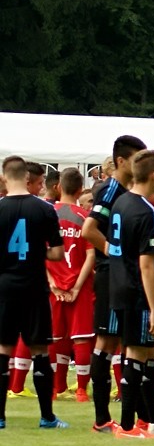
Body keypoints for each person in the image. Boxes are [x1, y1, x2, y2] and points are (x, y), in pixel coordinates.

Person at [108, 150, 154, 437]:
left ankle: (153, 421)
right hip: (136, 290)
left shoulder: (121, 202)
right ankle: (126, 426)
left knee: (150, 350)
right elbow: (147, 265)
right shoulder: (147, 212)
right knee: (136, 352)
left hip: (118, 284)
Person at [0, 156, 69, 431]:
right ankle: (47, 416)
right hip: (34, 286)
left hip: (5, 286)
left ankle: (0, 417)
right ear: (26, 177)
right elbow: (57, 253)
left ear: (5, 177)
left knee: (3, 349)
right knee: (40, 350)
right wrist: (38, 251)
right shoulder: (44, 209)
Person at [80, 135, 144, 431]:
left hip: (122, 275)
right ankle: (102, 418)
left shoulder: (127, 191)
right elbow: (89, 230)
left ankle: (143, 417)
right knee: (106, 342)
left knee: (124, 343)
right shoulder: (109, 190)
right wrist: (114, 253)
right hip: (110, 274)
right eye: (136, 159)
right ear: (121, 161)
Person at [47, 168, 96, 402]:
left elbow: (39, 253)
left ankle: (56, 388)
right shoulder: (85, 218)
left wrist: (52, 283)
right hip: (81, 285)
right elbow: (91, 255)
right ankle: (81, 391)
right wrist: (77, 287)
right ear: (79, 190)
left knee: (55, 338)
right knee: (81, 337)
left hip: (54, 286)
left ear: (58, 187)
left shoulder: (48, 214)